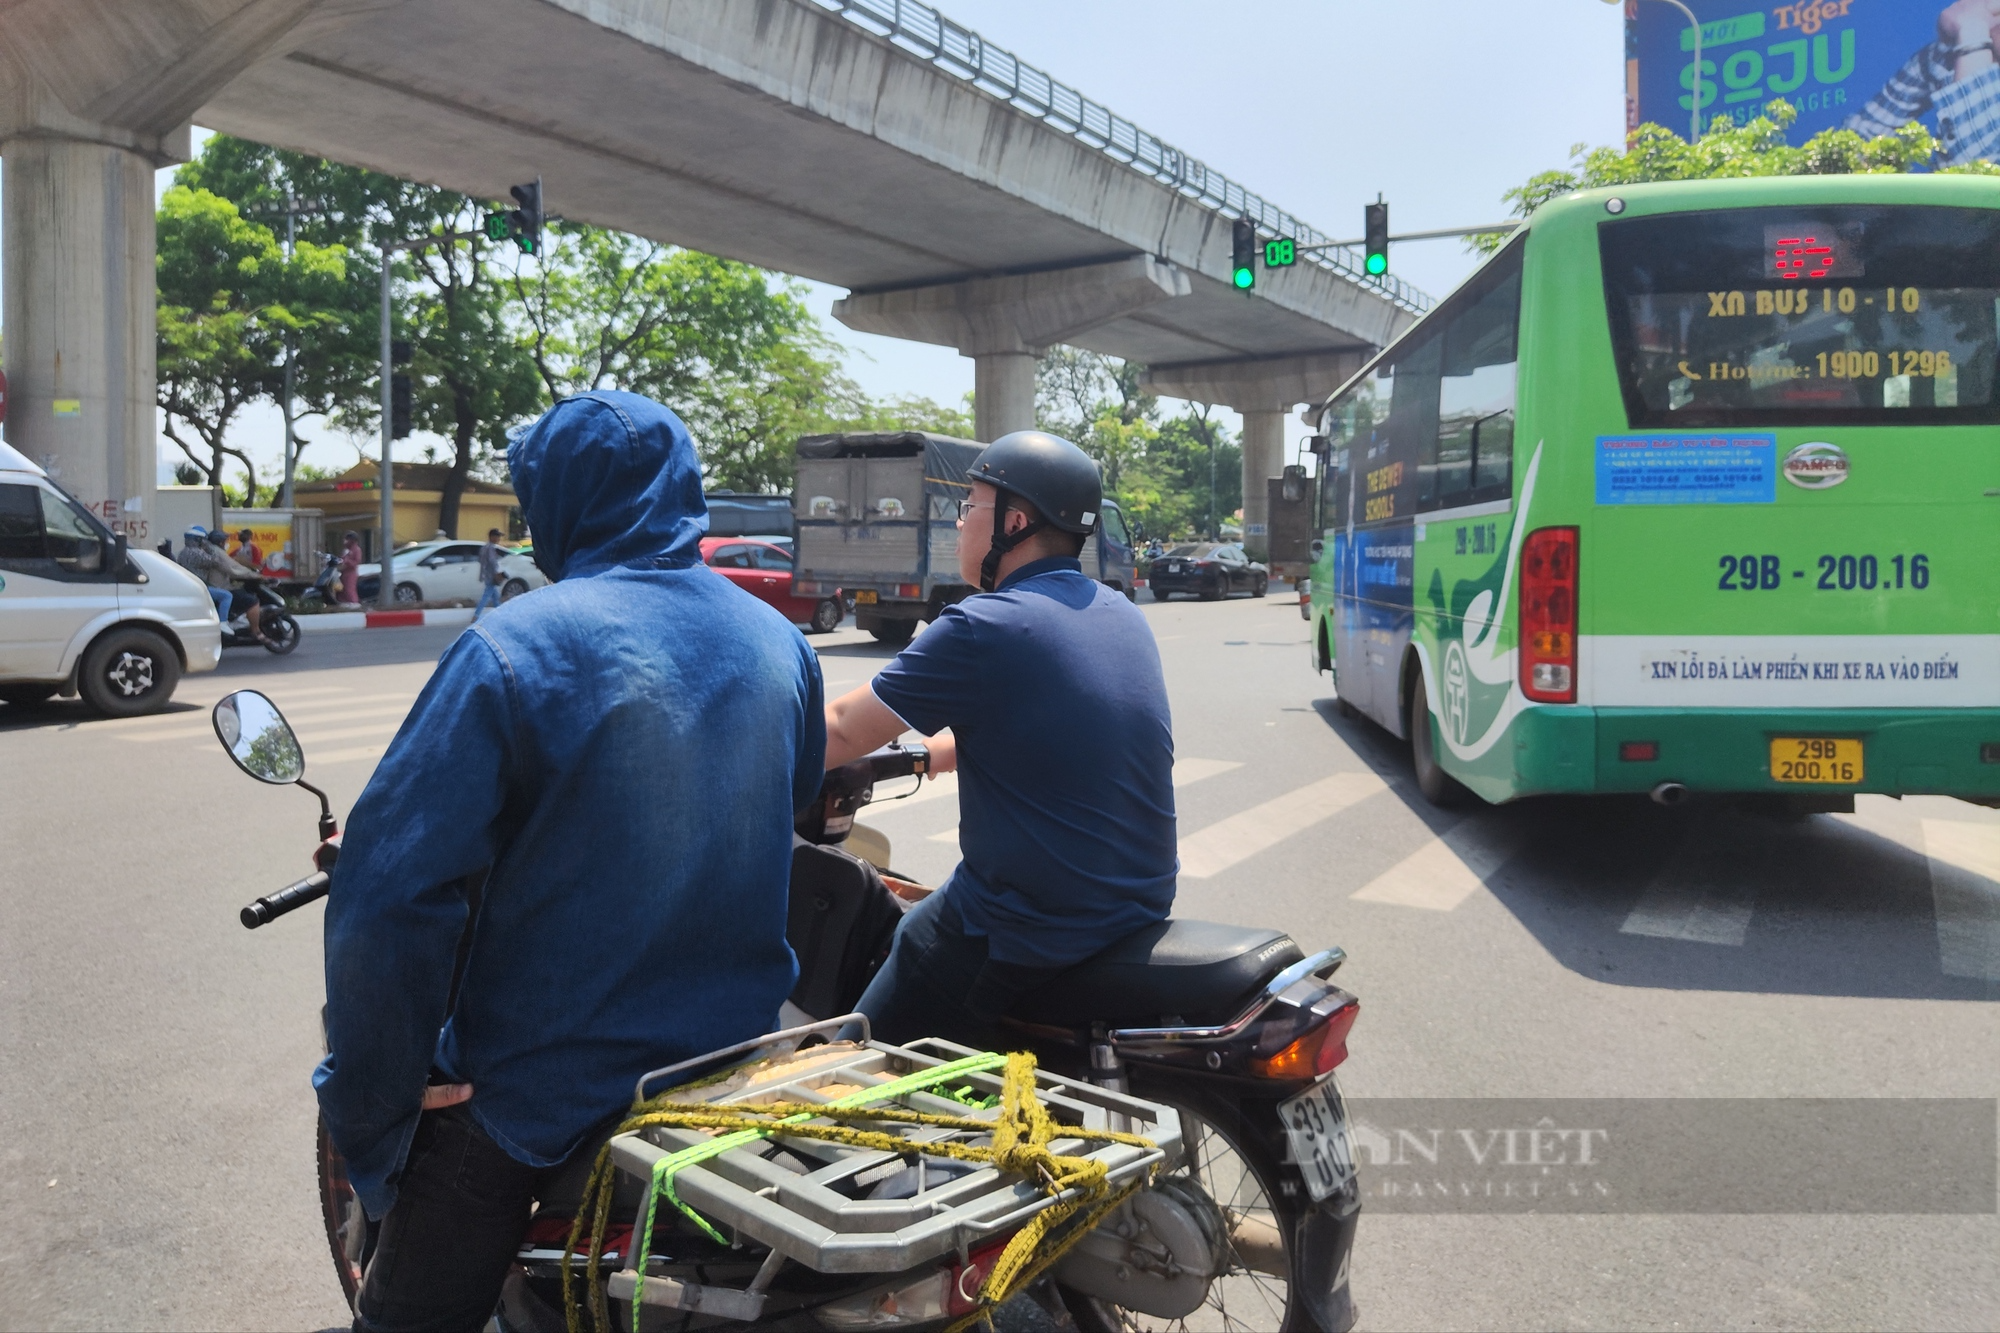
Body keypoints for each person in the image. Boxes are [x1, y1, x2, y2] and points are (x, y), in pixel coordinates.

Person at [316, 391, 824, 1329]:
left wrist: (375, 1102)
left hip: (542, 1096)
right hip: (740, 1056)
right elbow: (790, 803)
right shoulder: (781, 642)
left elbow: (388, 908)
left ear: (555, 504)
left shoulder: (514, 647)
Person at [821, 431, 1178, 1047]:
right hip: (1134, 900)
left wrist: (739, 742)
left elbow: (841, 731)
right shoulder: (1117, 611)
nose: (959, 525)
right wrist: (934, 754)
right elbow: (1063, 732)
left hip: (1032, 922)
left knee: (864, 1045)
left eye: (969, 508)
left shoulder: (986, 625)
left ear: (1013, 522)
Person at [1845, 0, 2000, 164]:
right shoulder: (1953, 51)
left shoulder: (1973, 34)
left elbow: (1977, 173)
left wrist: (1973, 36)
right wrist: (1974, 34)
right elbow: (1853, 144)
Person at [206, 528, 268, 643]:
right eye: (225, 541)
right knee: (252, 601)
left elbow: (242, 563)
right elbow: (233, 568)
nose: (227, 543)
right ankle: (256, 631)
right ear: (220, 542)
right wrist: (254, 575)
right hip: (221, 588)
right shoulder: (218, 553)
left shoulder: (211, 551)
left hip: (219, 584)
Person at [175, 527, 235, 627]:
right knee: (226, 596)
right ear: (199, 540)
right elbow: (216, 561)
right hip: (198, 587)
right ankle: (223, 623)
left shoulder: (183, 553)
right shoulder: (198, 553)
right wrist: (209, 547)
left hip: (189, 586)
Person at [472, 527, 505, 621]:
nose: (499, 539)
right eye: (497, 536)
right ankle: (476, 615)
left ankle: (500, 614)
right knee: (486, 596)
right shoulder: (490, 548)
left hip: (486, 575)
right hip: (491, 576)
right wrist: (497, 573)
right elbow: (492, 561)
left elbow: (481, 561)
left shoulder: (484, 548)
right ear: (492, 537)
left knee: (496, 597)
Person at [339, 531, 362, 607]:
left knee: (350, 589)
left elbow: (356, 563)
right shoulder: (346, 550)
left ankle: (354, 603)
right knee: (343, 589)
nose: (345, 541)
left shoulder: (356, 550)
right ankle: (344, 603)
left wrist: (347, 561)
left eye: (347, 539)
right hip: (344, 572)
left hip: (351, 573)